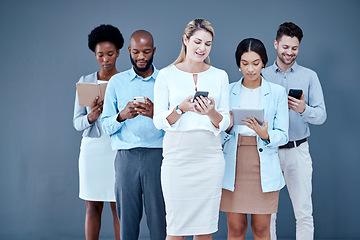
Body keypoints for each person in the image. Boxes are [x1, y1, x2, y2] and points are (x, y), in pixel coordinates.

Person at [153, 18, 230, 240]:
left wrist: (211, 113)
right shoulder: (166, 75)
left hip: (210, 158)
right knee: (176, 230)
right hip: (177, 158)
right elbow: (158, 120)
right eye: (197, 42)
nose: (202, 48)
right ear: (185, 40)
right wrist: (181, 108)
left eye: (208, 44)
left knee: (204, 231)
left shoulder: (220, 76)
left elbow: (224, 120)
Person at [262, 22, 327, 240]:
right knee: (267, 214)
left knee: (304, 212)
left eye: (294, 48)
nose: (289, 52)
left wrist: (303, 109)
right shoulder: (261, 75)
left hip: (298, 150)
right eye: (285, 47)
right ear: (276, 44)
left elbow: (321, 115)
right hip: (269, 151)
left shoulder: (310, 76)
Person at [220, 38, 289, 240]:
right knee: (235, 229)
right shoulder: (228, 90)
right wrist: (228, 125)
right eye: (245, 63)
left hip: (263, 162)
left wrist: (266, 134)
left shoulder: (277, 92)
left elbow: (283, 135)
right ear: (238, 64)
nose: (250, 69)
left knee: (260, 229)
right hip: (234, 161)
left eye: (256, 63)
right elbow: (219, 133)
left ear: (264, 62)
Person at [101, 30, 166, 240]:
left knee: (159, 219)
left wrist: (155, 113)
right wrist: (121, 116)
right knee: (127, 221)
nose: (141, 57)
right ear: (129, 50)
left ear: (154, 50)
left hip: (159, 156)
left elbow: (176, 122)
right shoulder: (117, 82)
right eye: (136, 52)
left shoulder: (166, 81)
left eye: (146, 52)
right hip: (126, 158)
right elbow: (106, 126)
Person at [73, 24, 123, 240]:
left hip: (117, 149)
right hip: (93, 150)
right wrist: (91, 116)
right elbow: (77, 123)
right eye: (100, 55)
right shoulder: (85, 82)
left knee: (118, 207)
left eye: (110, 54)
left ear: (119, 53)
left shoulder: (125, 81)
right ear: (94, 55)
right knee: (92, 205)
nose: (106, 59)